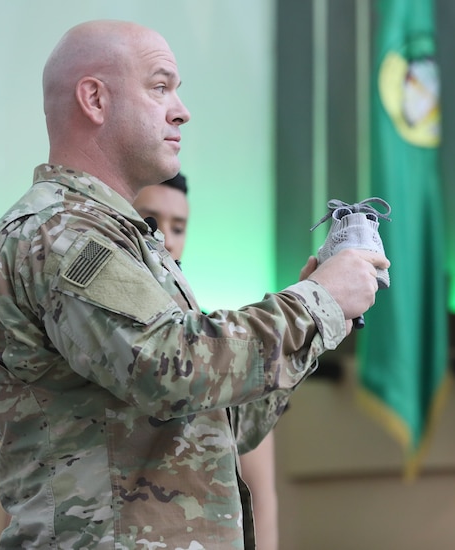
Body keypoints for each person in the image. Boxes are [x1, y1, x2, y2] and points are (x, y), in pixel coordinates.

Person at [0, 19, 389, 549]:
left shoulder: (119, 238)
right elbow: (170, 367)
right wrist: (316, 302)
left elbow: (216, 422)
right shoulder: (62, 235)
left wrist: (325, 316)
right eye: (160, 86)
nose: (181, 110)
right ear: (94, 99)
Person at [133, 174, 280, 550]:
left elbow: (259, 494)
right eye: (149, 222)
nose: (165, 238)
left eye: (178, 227)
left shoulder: (224, 343)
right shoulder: (83, 323)